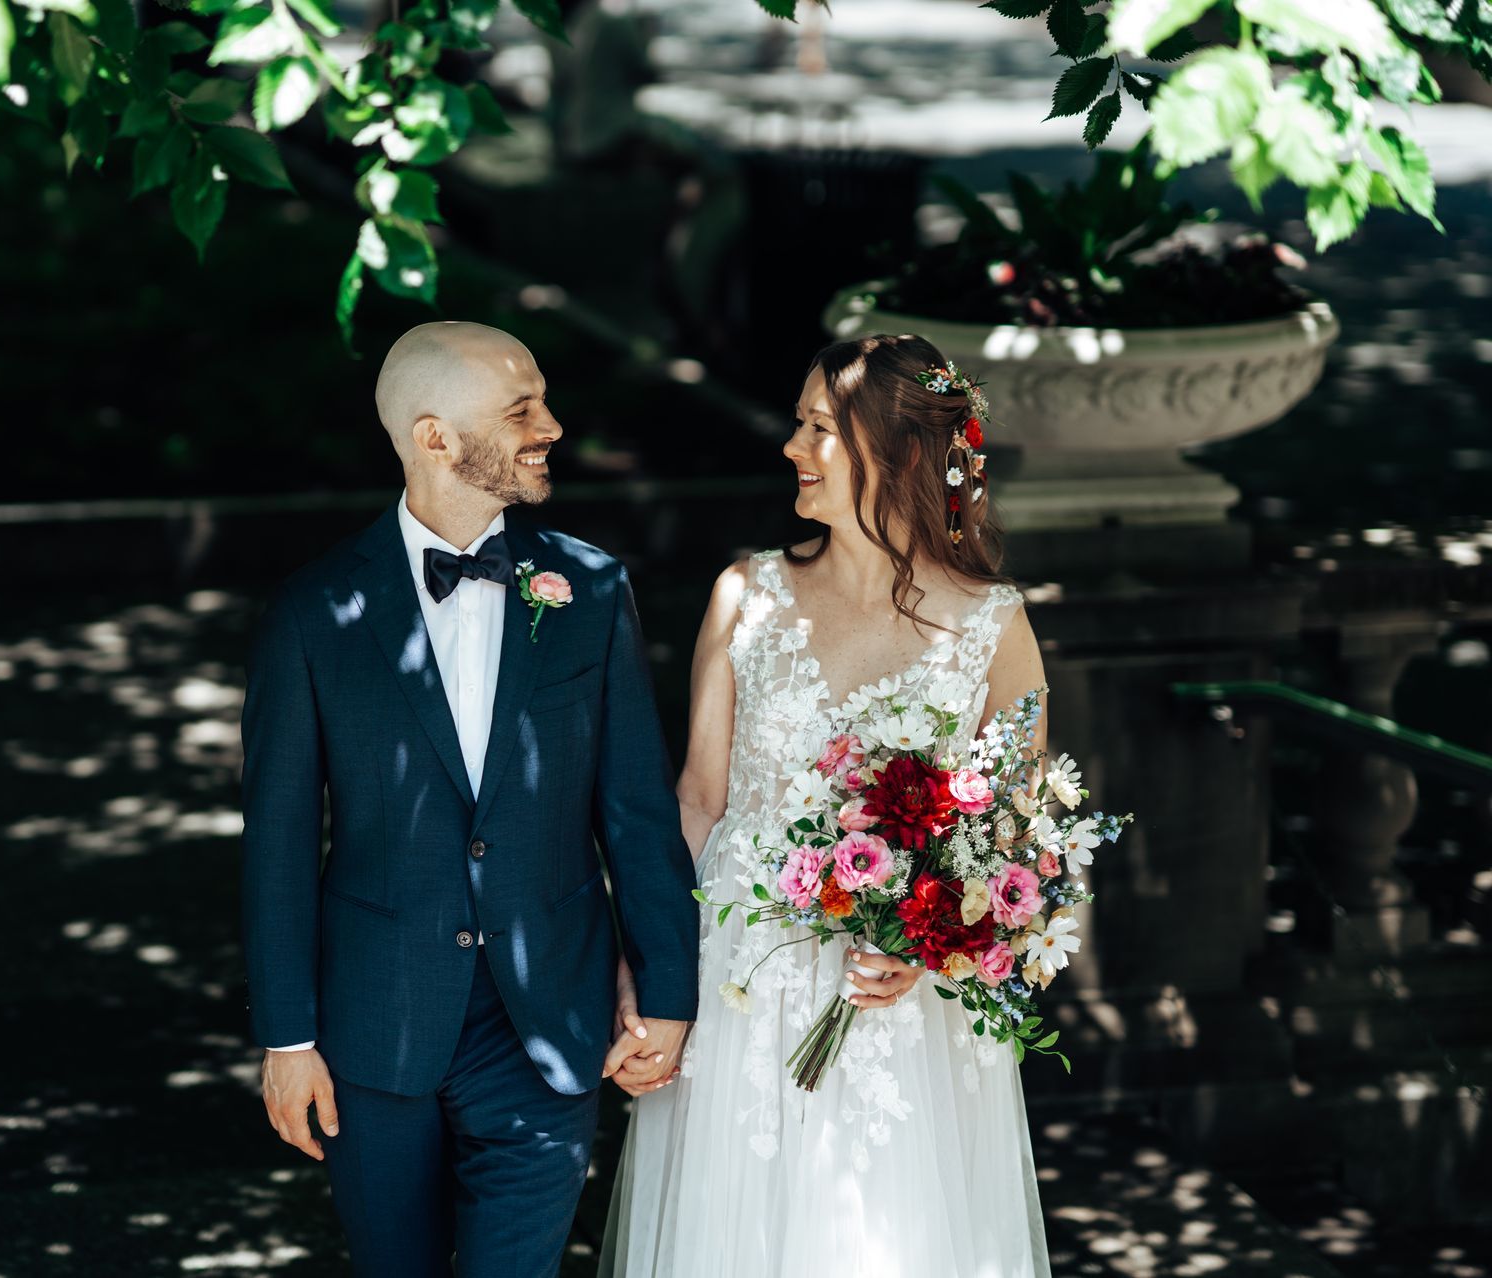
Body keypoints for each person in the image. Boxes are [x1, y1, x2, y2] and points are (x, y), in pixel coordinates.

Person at [240, 321, 701, 1278]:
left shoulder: (591, 587)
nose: (554, 428)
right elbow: (277, 845)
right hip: (374, 1027)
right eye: (521, 409)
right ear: (434, 436)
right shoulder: (314, 612)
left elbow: (638, 810)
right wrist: (287, 1037)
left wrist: (666, 992)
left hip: (549, 1022)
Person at [599, 333, 1052, 1277]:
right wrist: (644, 975)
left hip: (902, 1015)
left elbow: (1018, 849)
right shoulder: (745, 595)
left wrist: (932, 945)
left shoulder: (994, 625)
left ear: (904, 454)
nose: (792, 448)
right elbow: (696, 800)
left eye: (818, 427)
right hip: (739, 988)